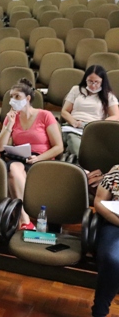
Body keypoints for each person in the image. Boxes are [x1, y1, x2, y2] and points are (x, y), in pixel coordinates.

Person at [0, 78, 63, 230]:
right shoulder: (11, 117)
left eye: (17, 96)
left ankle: (25, 219)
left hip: (42, 159)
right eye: (11, 97)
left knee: (13, 175)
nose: (12, 100)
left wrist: (38, 158)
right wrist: (9, 125)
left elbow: (59, 147)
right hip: (20, 158)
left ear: (28, 98)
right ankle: (25, 220)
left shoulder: (45, 115)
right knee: (13, 169)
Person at [61, 65, 119, 157]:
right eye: (90, 81)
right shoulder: (76, 90)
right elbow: (64, 111)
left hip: (94, 128)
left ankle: (73, 156)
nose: (93, 85)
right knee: (73, 139)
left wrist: (98, 124)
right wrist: (74, 122)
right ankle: (81, 160)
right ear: (85, 79)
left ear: (102, 81)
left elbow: (116, 116)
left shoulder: (108, 95)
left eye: (97, 82)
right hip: (75, 126)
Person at [92, 164, 119, 317]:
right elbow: (99, 202)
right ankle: (100, 310)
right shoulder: (115, 174)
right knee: (113, 259)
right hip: (115, 224)